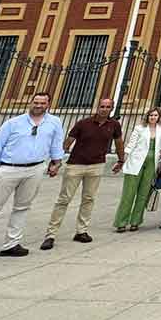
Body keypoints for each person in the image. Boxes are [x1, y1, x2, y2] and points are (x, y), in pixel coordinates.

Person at [0, 92, 64, 269]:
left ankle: (11, 244)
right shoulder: (13, 123)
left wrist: (56, 162)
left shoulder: (54, 122)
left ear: (48, 104)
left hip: (35, 168)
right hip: (9, 168)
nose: (38, 105)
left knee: (22, 207)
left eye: (42, 103)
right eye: (36, 102)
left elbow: (56, 142)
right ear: (30, 103)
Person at [40, 97, 123, 250]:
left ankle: (81, 231)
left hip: (97, 165)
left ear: (112, 109)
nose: (104, 109)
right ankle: (50, 234)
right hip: (75, 165)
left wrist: (121, 160)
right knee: (64, 199)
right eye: (102, 106)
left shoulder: (114, 125)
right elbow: (67, 142)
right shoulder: (83, 124)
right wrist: (56, 162)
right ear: (97, 107)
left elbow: (119, 142)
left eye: (107, 107)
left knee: (89, 199)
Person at [114, 107, 161, 232]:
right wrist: (122, 160)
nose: (153, 117)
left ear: (159, 117)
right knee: (128, 194)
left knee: (143, 194)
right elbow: (131, 144)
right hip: (136, 162)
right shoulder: (139, 128)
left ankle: (135, 221)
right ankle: (121, 222)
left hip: (152, 164)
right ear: (147, 117)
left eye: (155, 115)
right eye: (151, 115)